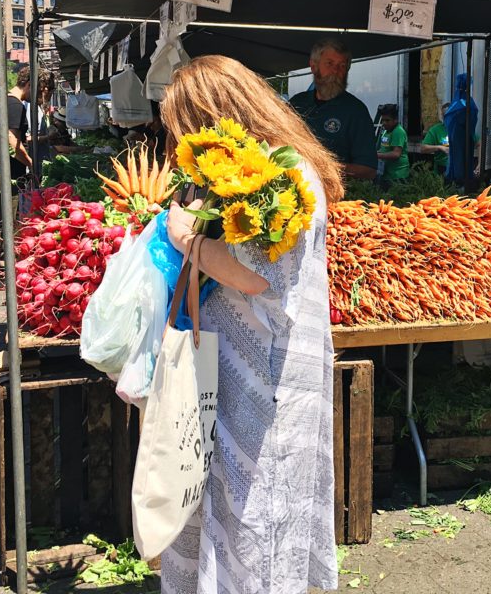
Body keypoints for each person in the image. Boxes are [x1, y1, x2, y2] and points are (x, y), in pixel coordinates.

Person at [159, 55, 340, 594]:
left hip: (270, 373)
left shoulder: (284, 176)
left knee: (260, 505)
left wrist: (184, 238)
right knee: (238, 504)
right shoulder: (259, 169)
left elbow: (260, 278)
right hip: (243, 365)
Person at [289, 38, 377, 180]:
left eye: (342, 66)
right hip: (291, 193)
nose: (336, 71)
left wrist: (324, 168)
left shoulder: (356, 111)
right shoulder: (297, 103)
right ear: (313, 66)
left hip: (338, 199)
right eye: (330, 64)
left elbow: (368, 170)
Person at [0, 66, 34, 287]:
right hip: (6, 173)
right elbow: (11, 141)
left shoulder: (7, 102)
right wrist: (31, 164)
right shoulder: (14, 105)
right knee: (5, 222)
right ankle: (0, 274)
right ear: (29, 84)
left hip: (3, 172)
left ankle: (0, 270)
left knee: (5, 219)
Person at [376, 103, 410, 182]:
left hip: (398, 176)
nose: (384, 123)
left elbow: (396, 154)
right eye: (383, 120)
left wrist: (377, 155)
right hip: (387, 174)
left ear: (395, 119)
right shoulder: (386, 131)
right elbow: (384, 149)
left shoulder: (398, 132)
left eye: (387, 120)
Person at [420, 102, 451, 174]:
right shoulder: (436, 130)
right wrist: (440, 147)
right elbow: (423, 148)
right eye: (444, 116)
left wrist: (479, 165)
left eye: (449, 115)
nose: (446, 118)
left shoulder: (462, 129)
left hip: (459, 168)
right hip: (441, 169)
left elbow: (479, 142)